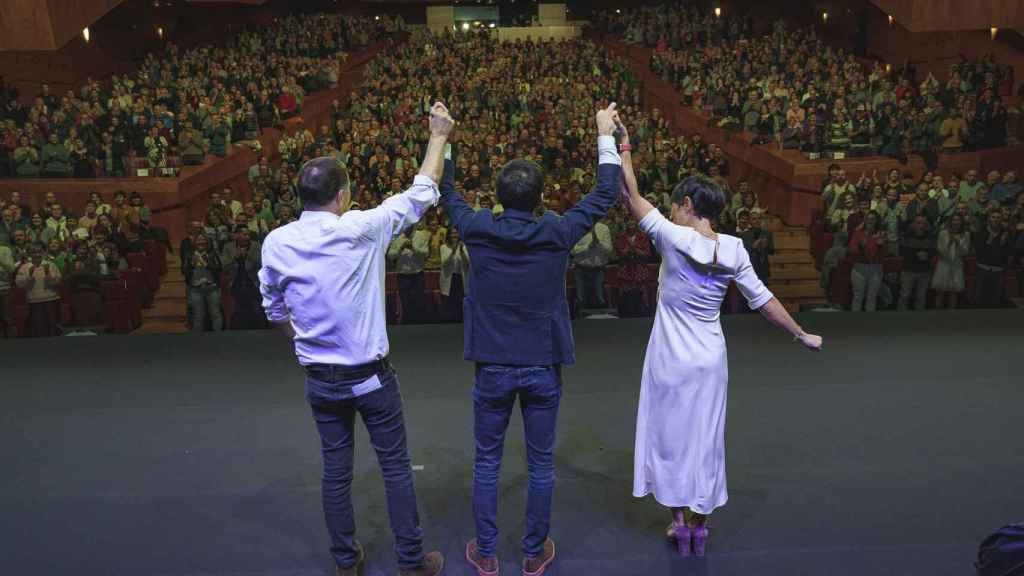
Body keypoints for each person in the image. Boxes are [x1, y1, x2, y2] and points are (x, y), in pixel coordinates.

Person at [257, 102, 454, 576]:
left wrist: (303, 343)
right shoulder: (361, 228)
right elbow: (423, 191)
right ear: (342, 195)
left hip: (319, 379)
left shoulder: (277, 242)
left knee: (335, 471)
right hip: (369, 378)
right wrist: (438, 136)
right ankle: (411, 561)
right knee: (394, 468)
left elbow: (273, 312)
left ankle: (346, 562)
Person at [615, 113, 822, 558]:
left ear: (687, 203)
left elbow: (629, 194)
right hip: (710, 360)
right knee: (706, 442)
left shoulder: (671, 236)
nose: (671, 211)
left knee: (668, 438)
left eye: (674, 204)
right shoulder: (734, 248)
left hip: (670, 358)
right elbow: (764, 301)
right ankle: (699, 527)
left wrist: (623, 146)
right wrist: (800, 333)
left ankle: (676, 522)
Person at [439, 102, 623, 576]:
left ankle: (485, 552)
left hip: (492, 366)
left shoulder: (477, 226)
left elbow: (445, 189)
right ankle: (534, 551)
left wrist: (447, 138)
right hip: (543, 364)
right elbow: (605, 193)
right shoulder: (558, 230)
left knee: (486, 463)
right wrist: (604, 133)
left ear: (498, 197)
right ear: (540, 197)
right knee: (541, 466)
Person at [14, 243, 62, 337]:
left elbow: (58, 282)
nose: (37, 254)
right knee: (37, 327)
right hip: (34, 301)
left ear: (44, 253)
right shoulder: (24, 267)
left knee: (52, 325)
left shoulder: (51, 265)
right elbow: (19, 284)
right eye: (33, 252)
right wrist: (29, 275)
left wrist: (48, 273)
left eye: (39, 252)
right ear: (29, 254)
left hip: (51, 299)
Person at [571, 218, 614, 310]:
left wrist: (598, 243)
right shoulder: (577, 227)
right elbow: (572, 250)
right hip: (581, 269)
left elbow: (609, 249)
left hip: (598, 270)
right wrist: (587, 247)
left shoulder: (604, 228)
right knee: (581, 300)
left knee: (599, 300)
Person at [931, 213, 971, 309]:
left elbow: (965, 252)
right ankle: (937, 315)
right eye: (954, 220)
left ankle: (952, 316)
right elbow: (941, 251)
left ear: (961, 222)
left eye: (958, 220)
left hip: (957, 265)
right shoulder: (943, 233)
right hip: (943, 265)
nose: (956, 222)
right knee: (940, 291)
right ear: (950, 221)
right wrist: (950, 242)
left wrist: (958, 242)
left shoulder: (966, 234)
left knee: (954, 293)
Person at [898, 215, 935, 311]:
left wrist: (928, 255)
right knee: (904, 296)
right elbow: (901, 251)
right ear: (913, 224)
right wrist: (914, 255)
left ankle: (919, 321)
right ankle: (900, 319)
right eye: (918, 223)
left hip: (924, 271)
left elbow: (934, 251)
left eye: (923, 223)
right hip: (908, 270)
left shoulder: (930, 236)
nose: (921, 226)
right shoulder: (906, 236)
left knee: (921, 297)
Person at [439, 226, 469, 323]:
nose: (454, 235)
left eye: (456, 233)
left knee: (460, 301)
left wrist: (461, 251)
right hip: (449, 278)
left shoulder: (464, 246)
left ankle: (460, 321)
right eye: (452, 233)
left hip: (460, 277)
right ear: (449, 235)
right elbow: (444, 262)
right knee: (449, 301)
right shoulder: (444, 247)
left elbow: (468, 263)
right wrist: (453, 250)